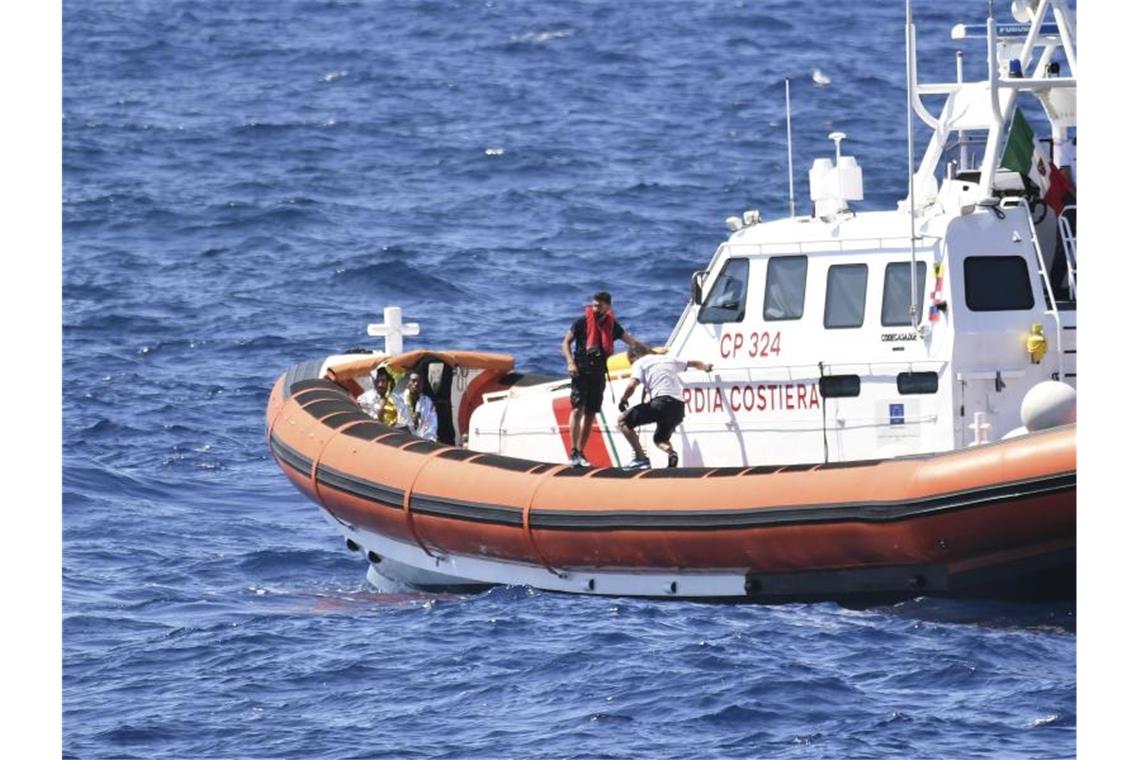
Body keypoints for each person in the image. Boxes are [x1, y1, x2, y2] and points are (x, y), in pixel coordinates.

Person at [561, 291, 648, 467]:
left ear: (608, 307)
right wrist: (570, 362)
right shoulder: (581, 322)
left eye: (599, 306)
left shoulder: (612, 325)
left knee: (591, 412)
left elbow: (631, 342)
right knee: (578, 409)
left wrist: (654, 353)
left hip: (598, 374)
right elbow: (565, 343)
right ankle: (574, 452)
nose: (595, 308)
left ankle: (581, 452)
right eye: (594, 305)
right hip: (581, 371)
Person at [617, 345, 712, 469]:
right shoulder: (668, 359)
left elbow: (632, 384)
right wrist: (706, 367)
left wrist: (623, 399)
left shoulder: (639, 362)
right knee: (659, 438)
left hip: (661, 403)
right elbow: (694, 363)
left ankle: (641, 459)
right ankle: (671, 453)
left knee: (622, 420)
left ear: (633, 357)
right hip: (678, 407)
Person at [395, 370, 438, 441]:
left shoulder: (427, 402)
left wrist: (429, 441)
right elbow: (396, 426)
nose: (416, 384)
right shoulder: (399, 401)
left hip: (423, 444)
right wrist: (411, 422)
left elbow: (432, 426)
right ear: (407, 383)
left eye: (419, 382)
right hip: (403, 442)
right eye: (413, 381)